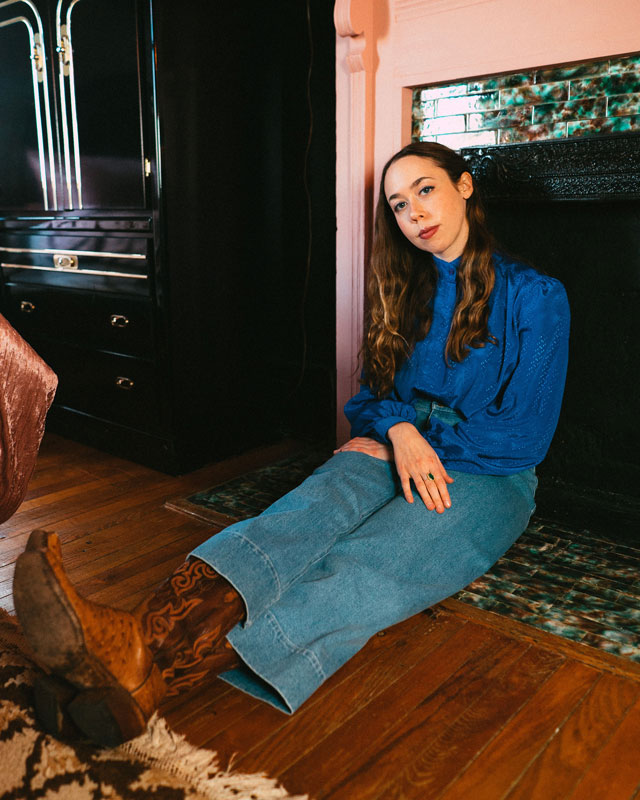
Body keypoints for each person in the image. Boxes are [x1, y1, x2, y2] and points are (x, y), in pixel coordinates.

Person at [12, 141, 570, 748]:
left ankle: (141, 678)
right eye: (399, 204)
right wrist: (399, 433)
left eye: (427, 190)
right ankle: (131, 649)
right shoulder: (405, 290)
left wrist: (411, 440)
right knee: (304, 514)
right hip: (396, 443)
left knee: (368, 564)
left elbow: (523, 434)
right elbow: (373, 398)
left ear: (464, 187)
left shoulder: (536, 295)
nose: (414, 213)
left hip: (490, 472)